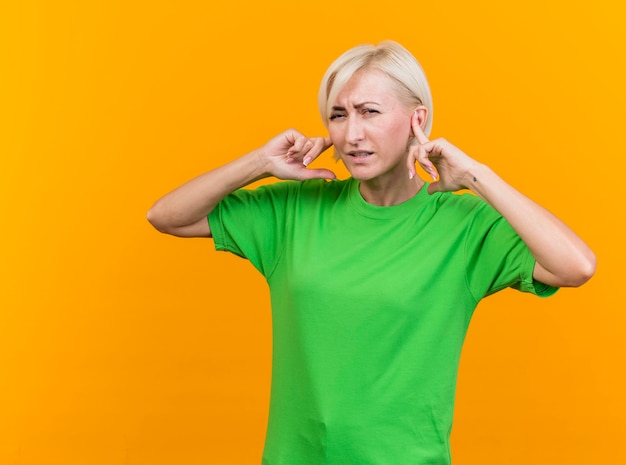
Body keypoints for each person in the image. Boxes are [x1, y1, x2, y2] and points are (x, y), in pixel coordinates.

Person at [147, 40, 596, 465]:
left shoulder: (463, 226)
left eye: (369, 112)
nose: (351, 134)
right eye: (338, 115)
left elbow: (576, 266)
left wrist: (476, 174)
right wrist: (260, 164)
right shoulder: (297, 210)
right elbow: (167, 216)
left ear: (417, 120)